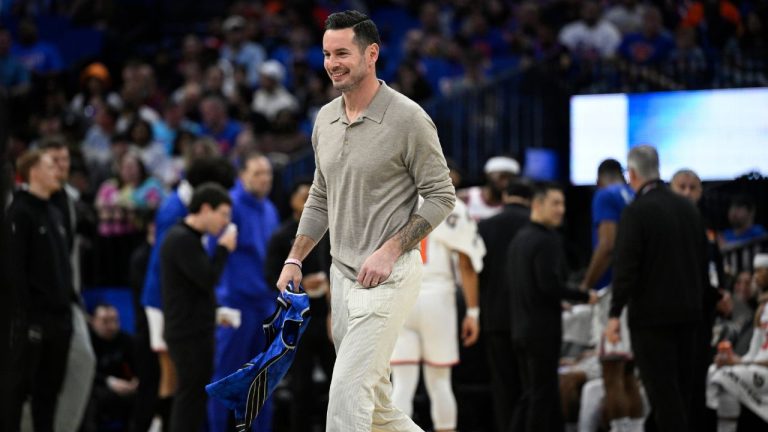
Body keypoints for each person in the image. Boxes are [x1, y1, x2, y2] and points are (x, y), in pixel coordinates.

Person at [275, 10, 455, 432]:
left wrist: (391, 250)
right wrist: (295, 258)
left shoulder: (409, 118)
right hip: (342, 278)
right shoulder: (325, 119)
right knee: (375, 408)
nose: (333, 63)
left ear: (371, 54)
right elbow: (320, 196)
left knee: (346, 398)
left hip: (388, 277)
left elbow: (442, 195)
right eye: (326, 54)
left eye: (342, 53)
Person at [605, 145, 708, 432]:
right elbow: (703, 263)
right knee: (681, 397)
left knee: (664, 399)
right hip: (690, 316)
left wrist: (614, 315)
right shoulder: (688, 208)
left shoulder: (636, 211)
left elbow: (626, 267)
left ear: (632, 174)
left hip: (652, 321)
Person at [390, 196, 485, 432]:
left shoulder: (393, 198)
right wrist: (473, 312)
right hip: (438, 298)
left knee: (401, 384)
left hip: (400, 294)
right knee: (440, 382)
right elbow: (466, 262)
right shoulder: (452, 204)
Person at [508, 182, 597, 432]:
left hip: (520, 330)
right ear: (537, 204)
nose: (561, 210)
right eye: (555, 203)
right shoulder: (546, 239)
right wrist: (583, 296)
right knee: (541, 395)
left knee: (531, 393)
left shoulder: (520, 239)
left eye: (563, 203)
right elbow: (549, 285)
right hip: (541, 331)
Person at [209, 151, 280, 432]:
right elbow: (213, 251)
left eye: (268, 174)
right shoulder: (230, 206)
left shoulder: (270, 208)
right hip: (234, 303)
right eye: (257, 174)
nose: (264, 179)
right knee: (225, 375)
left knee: (263, 378)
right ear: (242, 176)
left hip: (263, 304)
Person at [161, 183, 237, 432]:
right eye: (223, 214)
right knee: (189, 399)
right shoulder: (182, 239)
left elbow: (193, 289)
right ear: (205, 208)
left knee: (194, 399)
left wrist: (215, 314)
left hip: (193, 330)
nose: (225, 222)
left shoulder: (190, 239)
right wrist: (224, 248)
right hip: (188, 334)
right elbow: (208, 278)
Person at [7, 150, 73, 432]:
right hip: (33, 320)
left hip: (60, 318)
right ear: (33, 171)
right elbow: (14, 272)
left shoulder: (55, 211)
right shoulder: (19, 212)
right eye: (50, 165)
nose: (58, 170)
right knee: (16, 392)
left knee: (49, 395)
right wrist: (26, 316)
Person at [264, 179, 334, 432]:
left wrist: (328, 283)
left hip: (328, 313)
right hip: (297, 318)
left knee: (338, 379)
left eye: (311, 197)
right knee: (300, 385)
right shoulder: (282, 235)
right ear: (292, 201)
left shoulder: (330, 229)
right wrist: (302, 284)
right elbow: (271, 275)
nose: (308, 203)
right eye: (303, 197)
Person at [39, 138, 98, 432]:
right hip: (35, 304)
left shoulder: (68, 202)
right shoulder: (24, 205)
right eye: (54, 161)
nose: (61, 167)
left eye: (65, 161)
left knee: (82, 363)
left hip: (69, 300)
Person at [578, 159, 642, 432]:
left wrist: (585, 286)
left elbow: (607, 245)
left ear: (598, 179)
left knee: (612, 374)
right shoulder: (636, 195)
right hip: (639, 292)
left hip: (613, 295)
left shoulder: (605, 195)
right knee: (630, 376)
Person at [477, 179, 533, 432]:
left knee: (502, 385)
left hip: (495, 315)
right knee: (530, 385)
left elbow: (478, 272)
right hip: (530, 318)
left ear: (505, 196)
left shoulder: (486, 226)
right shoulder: (536, 226)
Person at [707, 253, 768, 431]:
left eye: (760, 272)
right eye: (755, 271)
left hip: (764, 370)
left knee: (724, 378)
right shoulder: (761, 310)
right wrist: (732, 358)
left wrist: (740, 361)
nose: (756, 277)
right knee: (717, 369)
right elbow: (755, 350)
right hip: (757, 366)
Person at [82, 304, 137, 432]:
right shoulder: (85, 342)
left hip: (123, 388)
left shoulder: (126, 340)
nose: (111, 326)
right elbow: (85, 373)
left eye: (115, 320)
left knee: (144, 396)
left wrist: (136, 381)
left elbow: (138, 365)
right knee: (89, 399)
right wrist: (110, 382)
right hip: (95, 388)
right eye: (105, 321)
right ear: (93, 321)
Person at [457, 155, 520, 221]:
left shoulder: (513, 205)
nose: (505, 183)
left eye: (510, 179)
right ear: (488, 175)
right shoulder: (466, 197)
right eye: (502, 177)